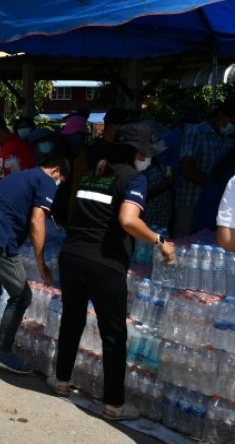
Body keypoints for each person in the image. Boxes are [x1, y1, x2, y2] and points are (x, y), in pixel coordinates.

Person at [51, 122, 175, 421]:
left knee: (72, 320)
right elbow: (128, 220)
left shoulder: (95, 172)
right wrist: (160, 241)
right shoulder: (134, 178)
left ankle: (61, 381)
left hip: (72, 255)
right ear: (137, 152)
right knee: (113, 334)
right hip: (104, 262)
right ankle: (114, 404)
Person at [0, 155, 68, 374]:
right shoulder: (47, 181)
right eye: (62, 181)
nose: (58, 186)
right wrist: (41, 264)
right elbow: (37, 221)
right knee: (22, 295)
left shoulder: (21, 175)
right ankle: (2, 351)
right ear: (56, 171)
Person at [175, 107, 231, 237]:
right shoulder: (196, 132)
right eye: (232, 121)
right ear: (221, 116)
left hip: (213, 204)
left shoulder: (223, 138)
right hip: (191, 202)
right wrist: (213, 186)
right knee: (185, 241)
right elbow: (187, 168)